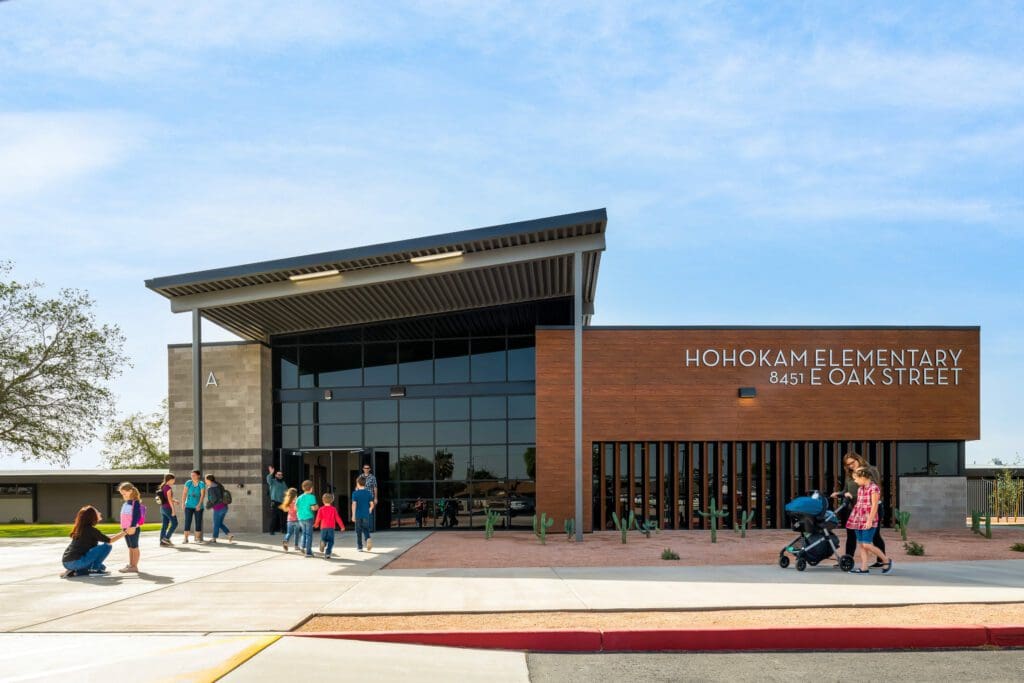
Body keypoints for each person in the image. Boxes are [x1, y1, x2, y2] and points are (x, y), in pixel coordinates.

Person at [831, 452, 886, 566]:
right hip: (855, 509)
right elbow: (846, 490)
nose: (851, 466)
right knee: (851, 534)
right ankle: (847, 560)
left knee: (874, 535)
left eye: (852, 462)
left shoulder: (870, 470)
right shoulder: (849, 474)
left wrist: (850, 495)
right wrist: (840, 494)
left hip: (871, 508)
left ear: (858, 459)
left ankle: (882, 561)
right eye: (848, 465)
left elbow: (872, 487)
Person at [847, 467, 893, 574]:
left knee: (866, 544)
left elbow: (874, 506)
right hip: (858, 519)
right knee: (862, 544)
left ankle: (886, 560)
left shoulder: (874, 488)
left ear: (863, 477)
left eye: (856, 478)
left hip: (868, 519)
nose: (855, 481)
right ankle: (864, 568)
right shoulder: (860, 489)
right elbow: (859, 505)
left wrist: (870, 520)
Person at [61, 505, 125, 578]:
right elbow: (110, 540)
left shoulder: (81, 529)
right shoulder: (91, 530)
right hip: (76, 561)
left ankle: (75, 571)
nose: (100, 513)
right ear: (92, 516)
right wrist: (125, 532)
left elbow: (107, 538)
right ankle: (94, 570)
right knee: (107, 546)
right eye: (97, 512)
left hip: (67, 562)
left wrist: (122, 532)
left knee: (102, 567)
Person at [117, 482, 144, 573]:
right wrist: (124, 528)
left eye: (124, 493)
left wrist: (132, 527)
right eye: (122, 494)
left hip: (132, 528)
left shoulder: (135, 502)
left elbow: (136, 515)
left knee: (134, 547)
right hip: (126, 529)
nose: (123, 495)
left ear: (130, 491)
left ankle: (134, 566)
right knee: (130, 547)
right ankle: (131, 565)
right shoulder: (126, 503)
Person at [314, 493, 345, 559]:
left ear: (323, 500)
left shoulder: (321, 509)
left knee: (323, 538)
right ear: (331, 501)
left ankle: (323, 542)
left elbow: (318, 518)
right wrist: (342, 526)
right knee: (331, 541)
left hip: (323, 527)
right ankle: (328, 553)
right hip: (331, 527)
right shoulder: (333, 509)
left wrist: (316, 524)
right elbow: (337, 518)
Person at [205, 474, 233, 544]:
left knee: (216, 524)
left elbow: (213, 499)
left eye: (206, 480)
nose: (205, 481)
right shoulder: (219, 485)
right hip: (225, 507)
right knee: (219, 523)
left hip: (218, 508)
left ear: (209, 480)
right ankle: (229, 534)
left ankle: (214, 538)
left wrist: (208, 504)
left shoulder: (211, 488)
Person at [351, 475, 375, 552]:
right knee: (366, 529)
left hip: (358, 515)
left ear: (357, 483)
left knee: (358, 531)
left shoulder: (355, 493)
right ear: (365, 484)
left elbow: (354, 504)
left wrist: (353, 515)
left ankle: (360, 547)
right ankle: (368, 538)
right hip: (366, 515)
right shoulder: (368, 493)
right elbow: (372, 504)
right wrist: (370, 509)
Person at [181, 470, 206, 544]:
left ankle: (197, 539)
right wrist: (183, 503)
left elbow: (202, 495)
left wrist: (199, 504)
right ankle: (185, 538)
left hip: (198, 507)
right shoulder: (188, 483)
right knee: (187, 522)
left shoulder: (201, 483)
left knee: (198, 522)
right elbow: (184, 493)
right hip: (188, 506)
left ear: (198, 476)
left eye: (194, 475)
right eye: (191, 475)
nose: (192, 477)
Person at [296, 480, 319, 558]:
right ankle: (308, 552)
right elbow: (313, 508)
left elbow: (296, 508)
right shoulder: (312, 497)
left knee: (304, 533)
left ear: (303, 488)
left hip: (300, 518)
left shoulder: (299, 497)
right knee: (309, 535)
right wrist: (317, 507)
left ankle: (302, 547)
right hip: (308, 517)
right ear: (311, 488)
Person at [157, 473, 178, 547]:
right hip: (168, 508)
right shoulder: (168, 488)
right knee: (175, 523)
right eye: (173, 480)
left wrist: (174, 500)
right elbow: (169, 500)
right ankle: (166, 539)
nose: (174, 481)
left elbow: (166, 498)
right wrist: (173, 510)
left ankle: (162, 541)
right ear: (170, 480)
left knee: (165, 525)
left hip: (163, 508)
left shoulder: (163, 486)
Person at [266, 465, 288, 535]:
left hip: (283, 502)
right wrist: (271, 473)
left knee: (283, 517)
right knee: (274, 517)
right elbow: (268, 479)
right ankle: (271, 531)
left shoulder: (283, 483)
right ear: (276, 475)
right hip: (275, 502)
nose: (280, 476)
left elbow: (287, 491)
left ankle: (283, 530)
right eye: (278, 474)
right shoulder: (272, 482)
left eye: (281, 475)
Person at [279, 487, 300, 552]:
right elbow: (298, 510)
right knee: (296, 533)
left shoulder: (288, 501)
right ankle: (296, 546)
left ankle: (286, 540)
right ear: (295, 494)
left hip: (289, 520)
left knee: (289, 533)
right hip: (297, 520)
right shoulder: (297, 501)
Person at [360, 464, 378, 530]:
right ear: (363, 469)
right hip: (362, 497)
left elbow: (375, 488)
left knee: (370, 512)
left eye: (367, 468)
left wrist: (375, 498)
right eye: (365, 468)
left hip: (370, 497)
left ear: (369, 469)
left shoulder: (372, 477)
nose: (366, 469)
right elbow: (358, 486)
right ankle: (364, 527)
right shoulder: (360, 477)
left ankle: (370, 528)